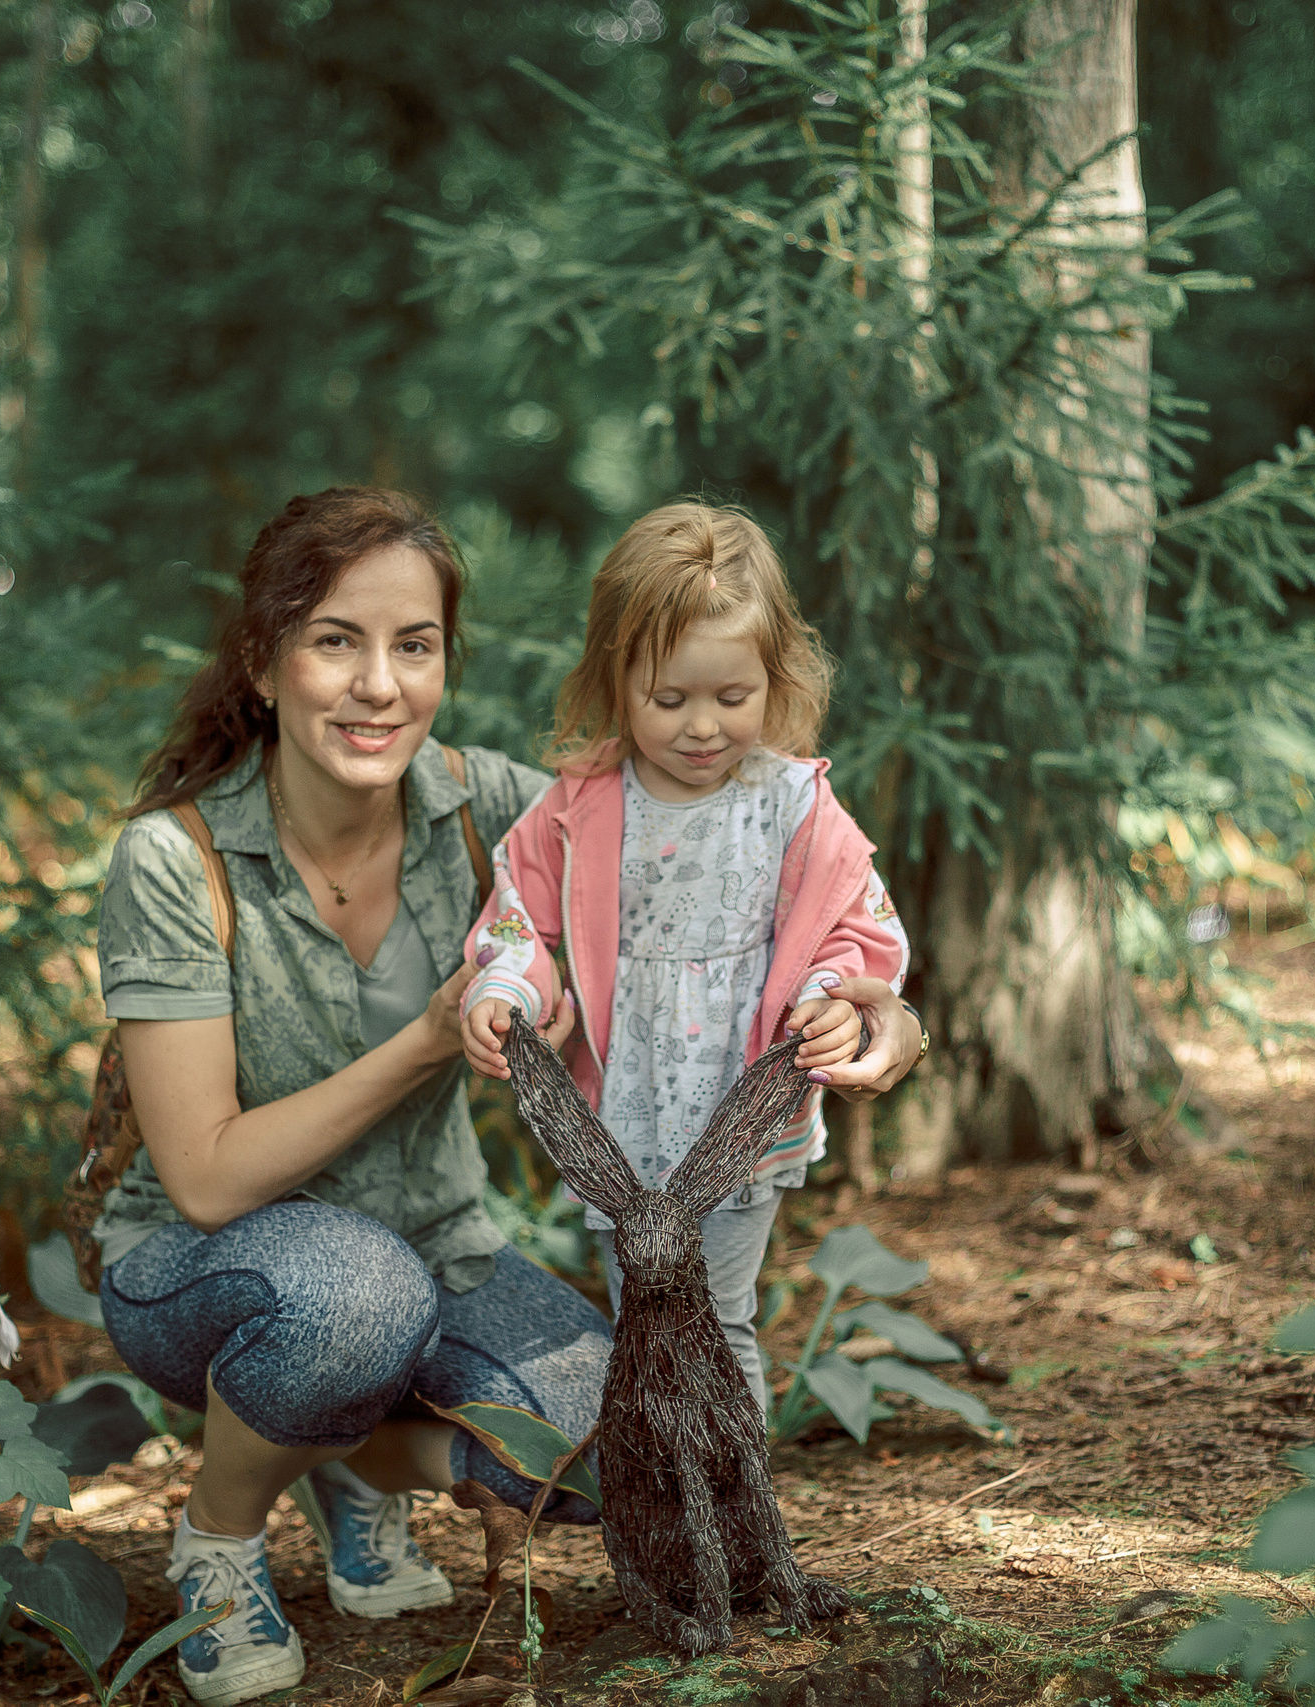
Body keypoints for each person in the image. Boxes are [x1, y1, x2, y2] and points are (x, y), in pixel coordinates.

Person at [91, 488, 924, 1705]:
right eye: (335, 641)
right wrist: (433, 1036)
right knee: (353, 1296)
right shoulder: (176, 859)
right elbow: (207, 1178)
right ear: (263, 664)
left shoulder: (494, 805)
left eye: (414, 645)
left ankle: (344, 1462)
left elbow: (705, 850)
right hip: (202, 1263)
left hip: (441, 1249)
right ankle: (220, 1535)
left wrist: (881, 1009)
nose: (379, 684)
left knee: (619, 1448)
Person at [460, 501, 910, 1419]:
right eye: (670, 700)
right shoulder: (578, 808)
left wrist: (833, 997)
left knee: (719, 1315)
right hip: (622, 1121)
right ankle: (658, 1488)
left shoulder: (791, 805)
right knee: (641, 1317)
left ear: (773, 678)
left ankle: (738, 1492)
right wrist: (505, 987)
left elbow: (851, 925)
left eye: (731, 698)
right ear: (617, 681)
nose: (702, 727)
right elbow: (520, 918)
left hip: (737, 1113)